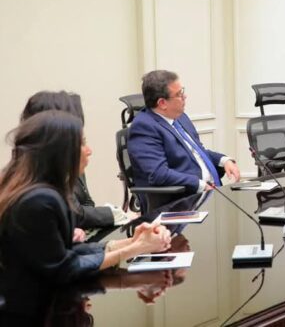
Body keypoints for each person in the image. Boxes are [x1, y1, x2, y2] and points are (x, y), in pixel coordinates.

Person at [0, 111, 171, 323]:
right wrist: (135, 249)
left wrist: (131, 242)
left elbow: (68, 251)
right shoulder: (40, 200)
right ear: (61, 152)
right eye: (82, 144)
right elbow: (64, 268)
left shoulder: (40, 191)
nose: (89, 151)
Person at [20, 91, 131, 229]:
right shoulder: (40, 194)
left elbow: (86, 204)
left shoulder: (68, 162)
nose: (88, 151)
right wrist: (115, 215)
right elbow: (76, 214)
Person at [128, 70, 241, 197]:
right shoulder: (144, 127)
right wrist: (200, 185)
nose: (185, 96)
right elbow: (159, 174)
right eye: (179, 94)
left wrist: (224, 161)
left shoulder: (180, 117)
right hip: (184, 198)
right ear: (162, 103)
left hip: (211, 191)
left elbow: (198, 152)